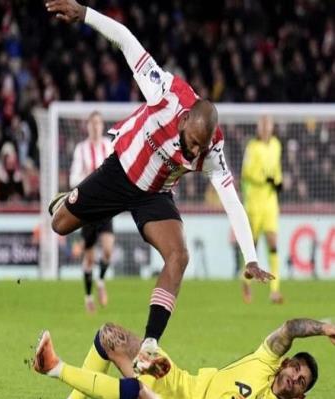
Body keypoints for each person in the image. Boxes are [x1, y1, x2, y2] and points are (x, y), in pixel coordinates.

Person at [45, 0, 273, 372]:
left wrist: (250, 257)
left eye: (200, 146)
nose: (193, 151)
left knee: (179, 255)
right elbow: (125, 39)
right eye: (191, 142)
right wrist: (84, 13)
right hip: (120, 171)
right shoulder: (164, 91)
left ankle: (150, 344)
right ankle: (68, 199)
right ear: (184, 120)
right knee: (59, 225)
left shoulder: (212, 151)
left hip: (154, 194)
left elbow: (232, 200)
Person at [32, 318, 335, 399]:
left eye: (302, 382)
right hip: (180, 383)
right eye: (296, 368)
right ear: (285, 363)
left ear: (301, 396)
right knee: (110, 336)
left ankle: (54, 368)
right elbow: (290, 329)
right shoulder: (264, 360)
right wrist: (324, 328)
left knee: (135, 392)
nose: (295, 377)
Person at [69, 111, 115, 312]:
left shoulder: (109, 146)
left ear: (102, 126)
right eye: (92, 123)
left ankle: (101, 281)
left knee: (108, 250)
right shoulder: (81, 149)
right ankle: (88, 297)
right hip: (88, 210)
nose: (95, 126)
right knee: (88, 257)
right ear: (87, 126)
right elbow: (72, 179)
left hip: (105, 208)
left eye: (98, 123)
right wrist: (90, 178)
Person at [241, 116, 283, 304]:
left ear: (272, 127)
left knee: (273, 243)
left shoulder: (276, 145)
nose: (265, 129)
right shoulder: (252, 147)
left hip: (270, 201)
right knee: (253, 246)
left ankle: (275, 290)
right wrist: (264, 178)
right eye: (262, 126)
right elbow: (246, 172)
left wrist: (279, 181)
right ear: (258, 128)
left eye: (268, 125)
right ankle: (246, 282)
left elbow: (277, 169)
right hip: (254, 202)